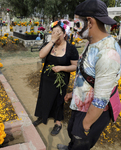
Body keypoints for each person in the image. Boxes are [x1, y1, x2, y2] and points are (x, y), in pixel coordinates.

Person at [57, 0, 121, 150]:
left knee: (80, 142)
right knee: (72, 132)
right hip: (81, 104)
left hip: (91, 112)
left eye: (77, 23)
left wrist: (85, 127)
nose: (75, 28)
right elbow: (88, 73)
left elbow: (100, 101)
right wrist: (75, 94)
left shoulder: (107, 54)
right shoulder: (92, 42)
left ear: (90, 22)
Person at [33, 20, 79, 136]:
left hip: (61, 80)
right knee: (44, 96)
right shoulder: (50, 45)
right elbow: (41, 55)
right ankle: (42, 116)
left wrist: (62, 68)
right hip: (47, 78)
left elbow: (75, 66)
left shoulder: (71, 48)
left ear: (64, 34)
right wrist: (51, 41)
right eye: (54, 32)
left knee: (59, 99)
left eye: (59, 32)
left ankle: (58, 122)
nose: (56, 35)